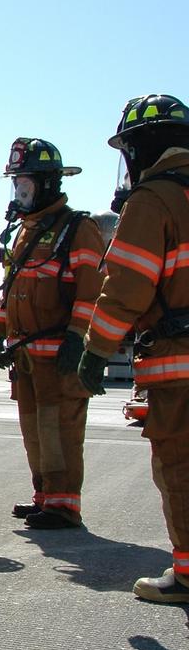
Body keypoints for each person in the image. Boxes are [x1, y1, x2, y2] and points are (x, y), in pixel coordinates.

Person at [77, 94, 189, 603]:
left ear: (142, 147)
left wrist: (97, 349)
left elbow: (127, 284)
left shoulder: (155, 198)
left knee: (180, 465)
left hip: (179, 363)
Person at [0, 138, 103, 530]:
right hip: (26, 357)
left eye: (26, 185)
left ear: (49, 184)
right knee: (35, 430)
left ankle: (64, 505)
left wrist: (77, 338)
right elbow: (11, 288)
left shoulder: (79, 229)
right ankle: (44, 496)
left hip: (58, 356)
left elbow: (91, 291)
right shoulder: (25, 234)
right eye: (16, 185)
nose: (20, 194)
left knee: (61, 429)